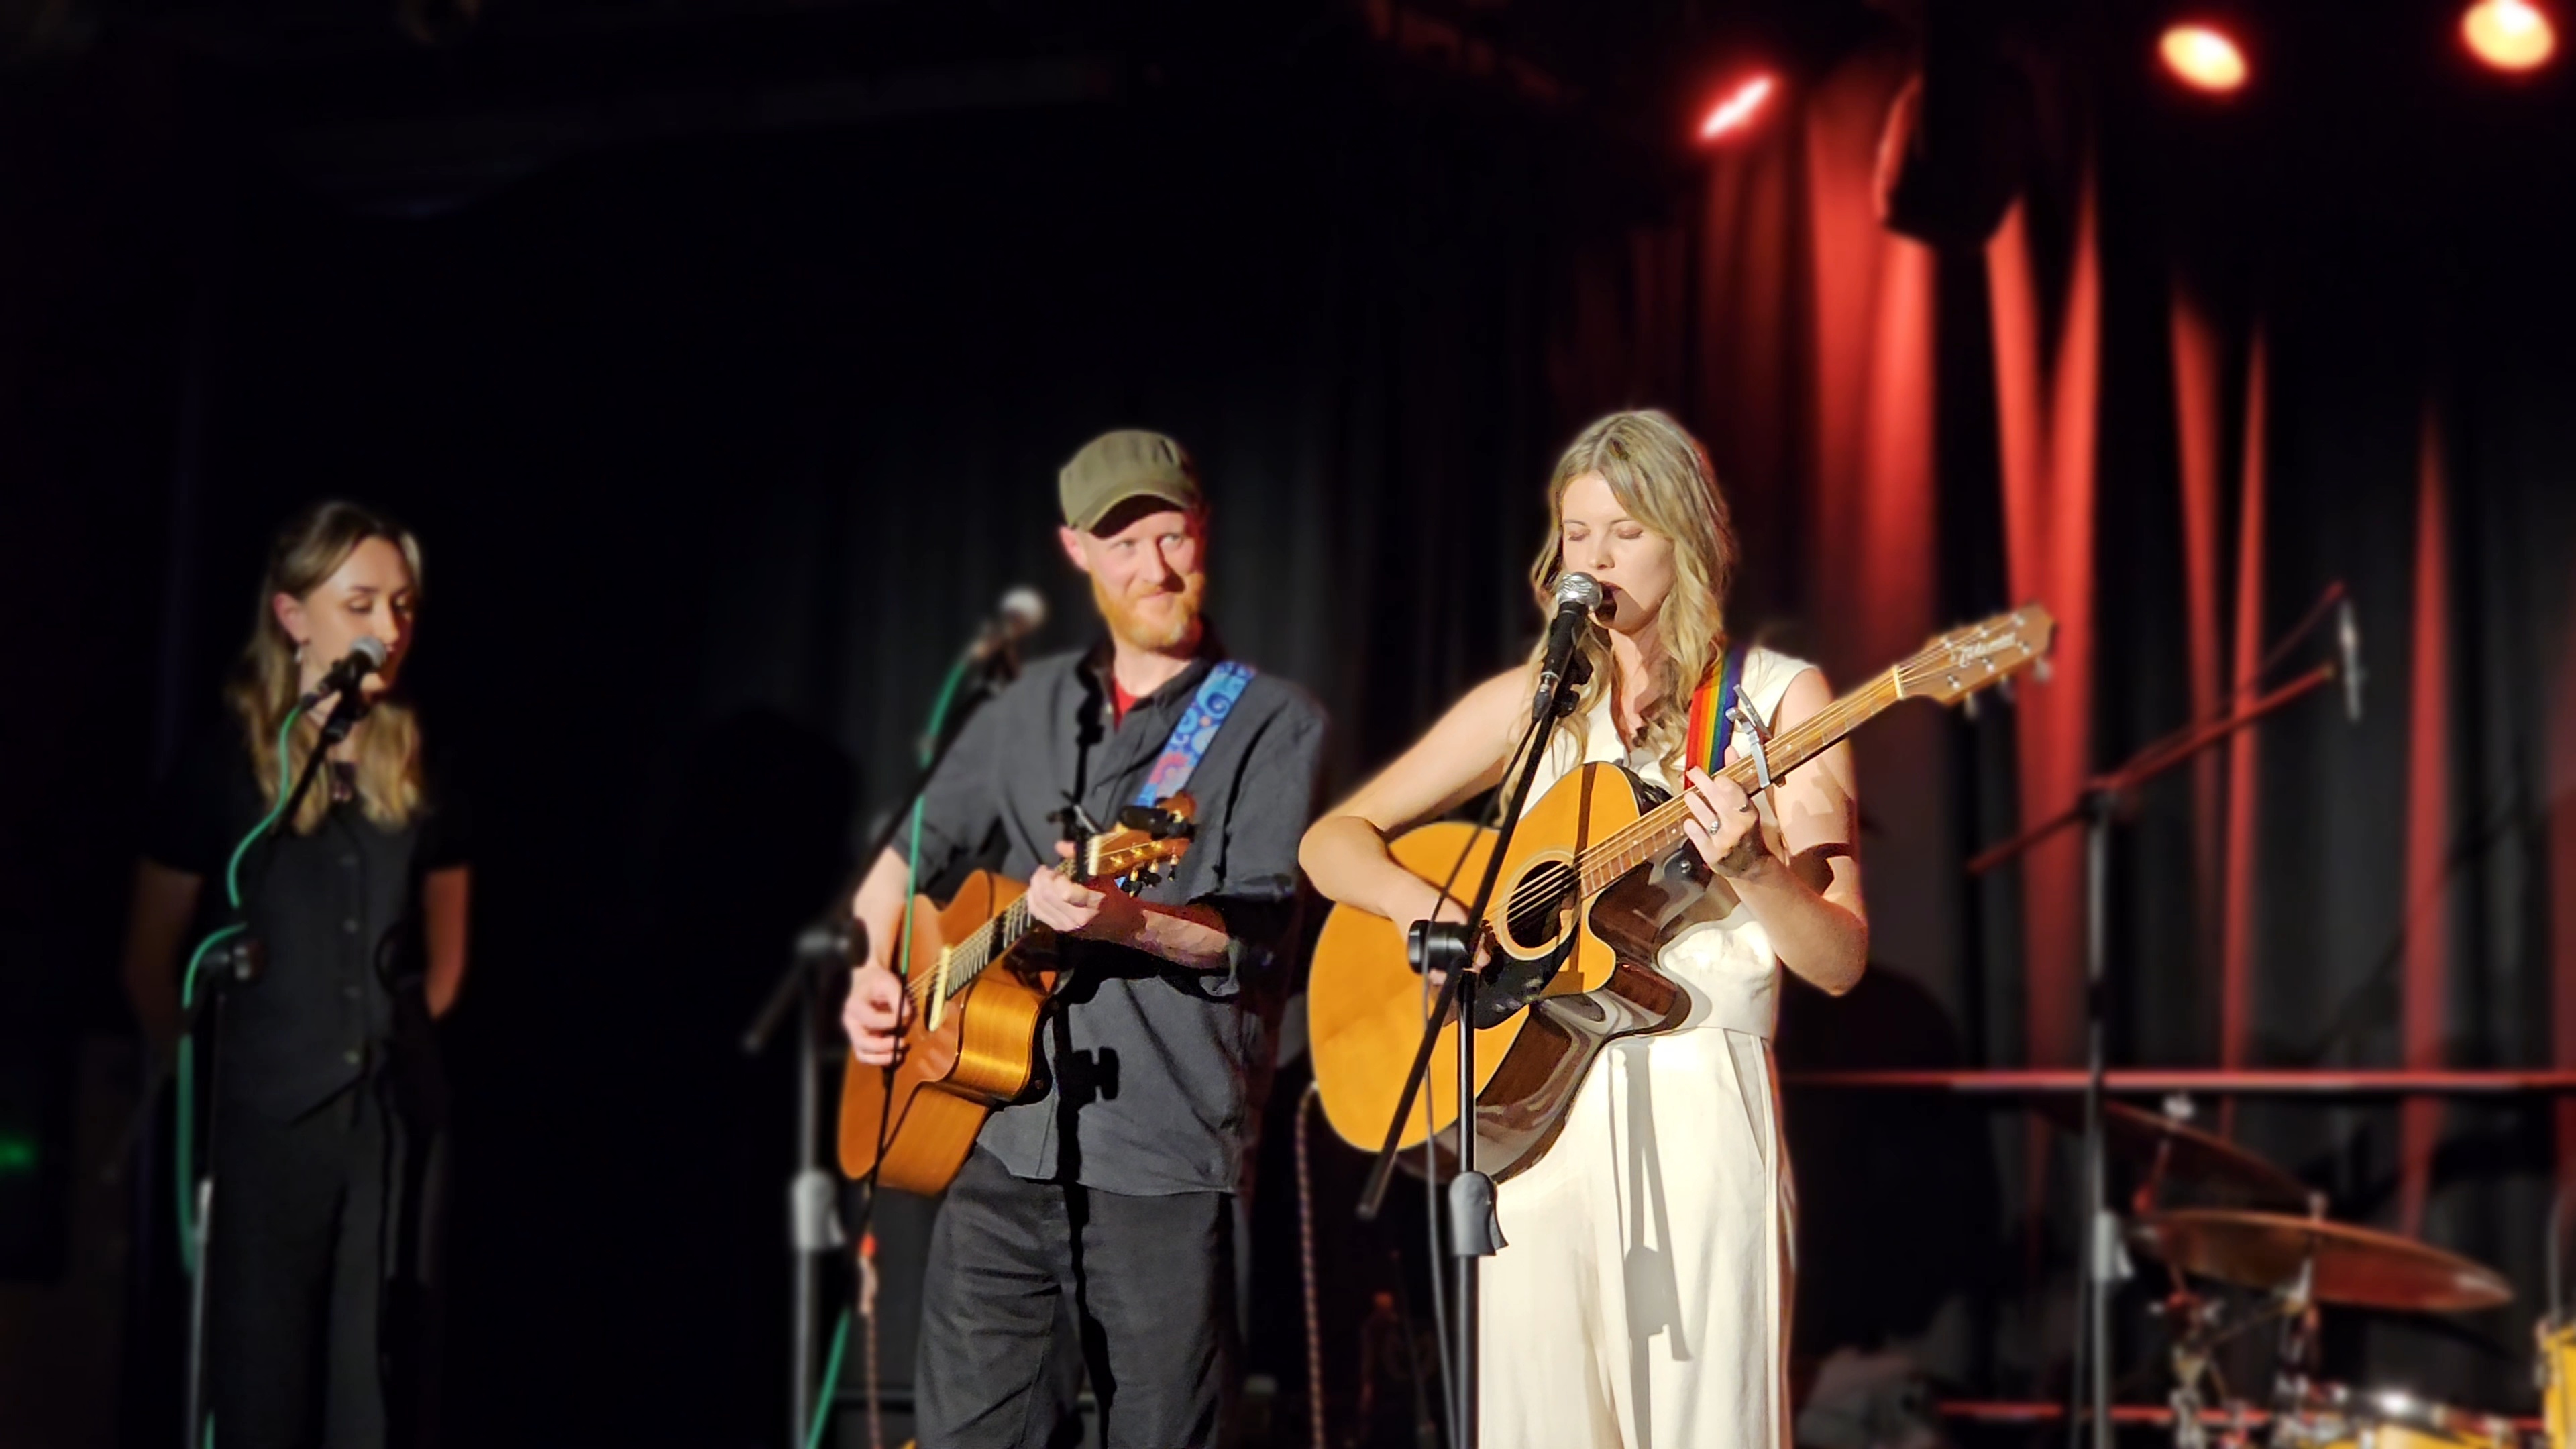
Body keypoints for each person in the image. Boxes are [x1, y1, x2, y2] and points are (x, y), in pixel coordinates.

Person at [1298, 409, 1868, 1448]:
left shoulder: (1775, 702)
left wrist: (1753, 870)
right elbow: (1333, 841)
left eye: (1626, 531)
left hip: (1695, 1099)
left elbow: (1837, 959)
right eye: (1577, 532)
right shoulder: (1539, 702)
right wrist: (1421, 902)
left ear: (1686, 538)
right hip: (1530, 1107)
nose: (1595, 558)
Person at [839, 430, 1326, 1449]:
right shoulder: (1030, 704)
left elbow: (1254, 938)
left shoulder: (1273, 722)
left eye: (1174, 537)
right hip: (996, 1143)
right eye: (1126, 546)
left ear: (1205, 533)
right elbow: (903, 855)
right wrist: (871, 972)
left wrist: (1124, 918)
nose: (1156, 568)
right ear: (1075, 552)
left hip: (1163, 1159)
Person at [122, 500, 469, 1449]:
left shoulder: (420, 764)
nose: (388, 630)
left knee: (379, 1387)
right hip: (265, 1123)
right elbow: (154, 960)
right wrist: (216, 1075)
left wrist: (390, 1059)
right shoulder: (227, 764)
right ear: (293, 616)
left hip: (393, 1125)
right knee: (262, 1386)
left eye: (402, 606)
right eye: (360, 604)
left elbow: (446, 958)